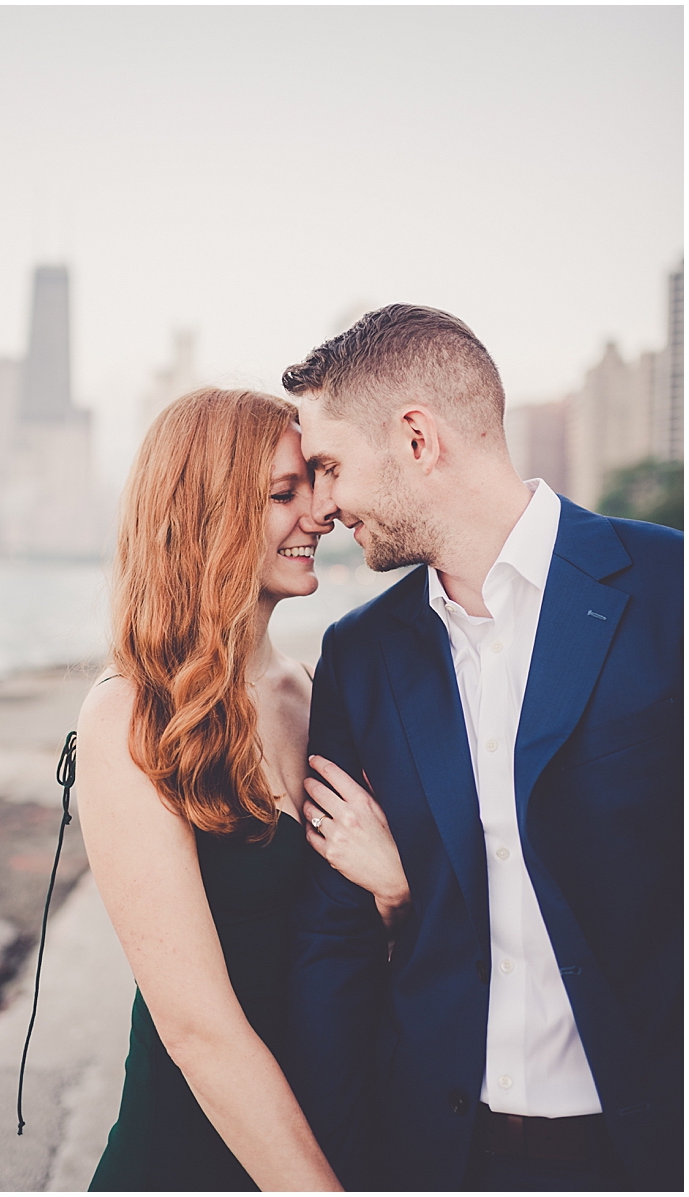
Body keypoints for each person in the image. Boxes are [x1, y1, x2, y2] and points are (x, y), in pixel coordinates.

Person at [281, 304, 683, 1191]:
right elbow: (331, 945)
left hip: (646, 1153)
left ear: (416, 439)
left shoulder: (670, 591)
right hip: (432, 1156)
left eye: (330, 465)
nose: (321, 503)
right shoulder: (358, 656)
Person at [77, 387, 414, 1191]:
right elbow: (198, 1029)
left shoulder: (309, 691)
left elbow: (357, 942)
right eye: (282, 495)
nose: (321, 514)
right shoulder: (129, 712)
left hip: (328, 1122)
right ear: (204, 512)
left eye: (315, 486)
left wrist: (399, 893)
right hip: (192, 1151)